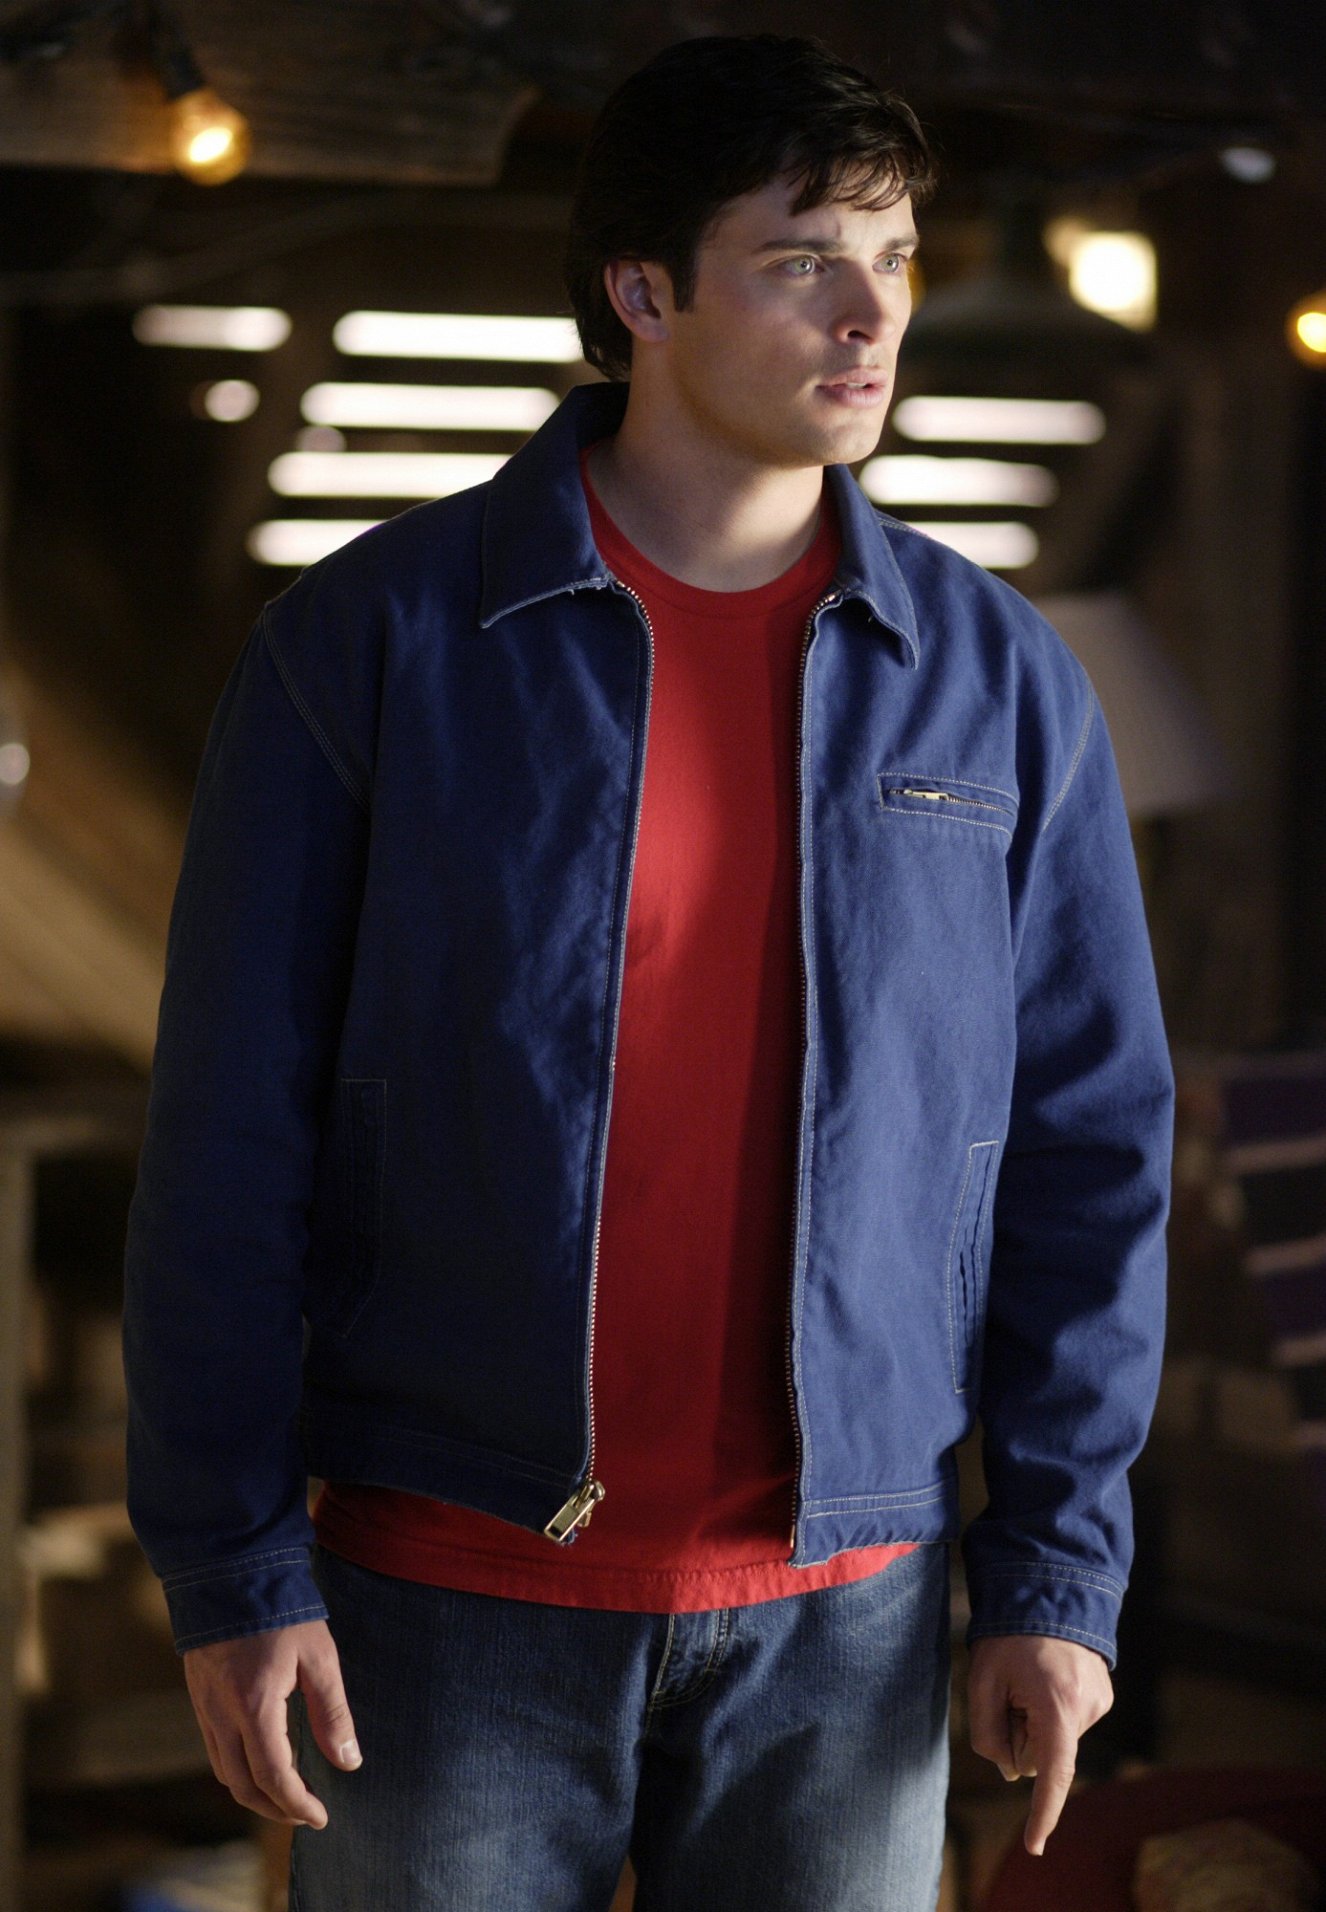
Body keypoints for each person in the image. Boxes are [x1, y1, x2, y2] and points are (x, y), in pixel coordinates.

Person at [122, 31, 1174, 1912]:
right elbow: (225, 1139)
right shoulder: (373, 645)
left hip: (848, 1611)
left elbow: (1088, 1148)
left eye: (894, 257)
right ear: (641, 293)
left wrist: (1055, 1570)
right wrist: (230, 1566)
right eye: (803, 259)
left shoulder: (1000, 680)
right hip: (439, 1594)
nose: (872, 314)